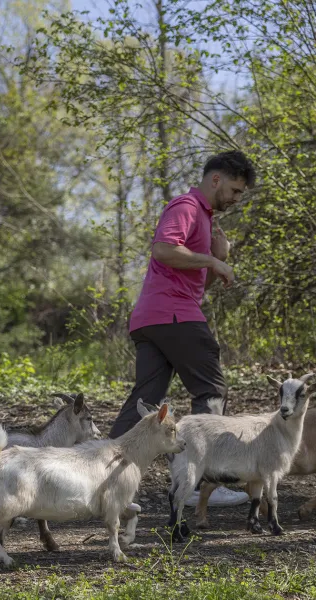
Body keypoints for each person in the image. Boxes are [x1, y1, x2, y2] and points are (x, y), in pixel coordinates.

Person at [108, 150, 257, 509]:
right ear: (216, 180)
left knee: (145, 403)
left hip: (153, 318)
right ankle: (206, 478)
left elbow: (192, 283)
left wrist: (219, 257)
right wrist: (212, 258)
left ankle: (102, 475)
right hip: (174, 315)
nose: (236, 199)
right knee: (211, 387)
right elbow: (162, 249)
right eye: (235, 190)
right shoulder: (187, 206)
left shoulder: (205, 219)